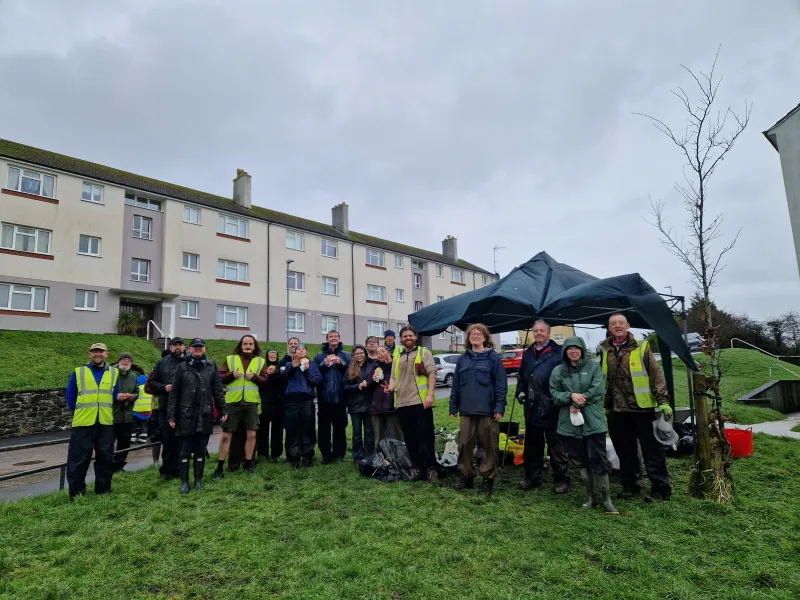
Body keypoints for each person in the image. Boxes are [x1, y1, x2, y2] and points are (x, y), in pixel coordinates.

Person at [601, 313, 673, 502]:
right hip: (616, 410)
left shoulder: (641, 347)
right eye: (614, 324)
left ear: (628, 326)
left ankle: (661, 489)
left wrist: (663, 401)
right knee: (624, 450)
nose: (617, 326)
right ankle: (630, 485)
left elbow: (656, 375)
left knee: (652, 451)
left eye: (621, 323)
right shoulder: (604, 350)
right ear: (609, 328)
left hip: (641, 409)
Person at [550, 336, 618, 514]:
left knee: (598, 460)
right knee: (580, 461)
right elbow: (554, 393)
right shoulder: (558, 370)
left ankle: (606, 499)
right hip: (569, 424)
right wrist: (570, 396)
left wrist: (578, 403)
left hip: (593, 421)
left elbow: (597, 390)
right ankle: (591, 497)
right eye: (569, 348)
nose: (573, 351)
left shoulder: (593, 367)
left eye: (577, 348)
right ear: (565, 351)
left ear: (582, 350)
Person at [449, 324, 507, 495]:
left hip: (488, 411)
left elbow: (501, 384)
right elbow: (456, 386)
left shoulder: (493, 358)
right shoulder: (463, 359)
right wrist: (453, 406)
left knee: (490, 445)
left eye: (479, 333)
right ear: (468, 338)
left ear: (485, 337)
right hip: (466, 410)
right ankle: (467, 477)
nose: (475, 336)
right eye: (472, 334)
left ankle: (488, 480)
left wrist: (499, 406)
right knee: (464, 445)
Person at [516, 319, 570, 493]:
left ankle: (561, 479)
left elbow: (566, 378)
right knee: (532, 446)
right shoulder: (528, 353)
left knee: (556, 446)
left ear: (548, 333)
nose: (538, 334)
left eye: (542, 331)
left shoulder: (558, 352)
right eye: (535, 331)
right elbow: (522, 377)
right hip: (532, 406)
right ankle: (532, 477)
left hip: (553, 406)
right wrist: (520, 392)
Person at [167, 338, 227, 494]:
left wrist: (223, 410)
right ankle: (185, 482)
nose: (198, 349)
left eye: (200, 347)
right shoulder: (182, 367)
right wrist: (171, 416)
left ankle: (198, 480)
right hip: (185, 414)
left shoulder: (211, 366)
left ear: (204, 349)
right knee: (184, 451)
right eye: (195, 347)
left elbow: (218, 391)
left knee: (201, 450)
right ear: (190, 349)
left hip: (205, 414)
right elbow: (174, 394)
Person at [64, 343, 119, 499]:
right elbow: (70, 396)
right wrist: (81, 412)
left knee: (105, 458)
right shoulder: (79, 372)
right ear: (89, 354)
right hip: (83, 423)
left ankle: (103, 490)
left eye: (100, 351)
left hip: (105, 422)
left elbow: (114, 395)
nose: (97, 354)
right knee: (78, 460)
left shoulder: (114, 373)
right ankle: (76, 493)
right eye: (94, 351)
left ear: (106, 354)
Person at [387, 325, 438, 483]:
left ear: (415, 337)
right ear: (401, 339)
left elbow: (432, 374)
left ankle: (430, 469)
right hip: (402, 403)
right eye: (404, 336)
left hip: (421, 402)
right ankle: (417, 467)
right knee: (410, 438)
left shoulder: (424, 352)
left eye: (410, 335)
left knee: (426, 436)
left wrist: (429, 395)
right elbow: (393, 377)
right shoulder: (397, 356)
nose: (407, 338)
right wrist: (390, 387)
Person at [214, 335, 268, 478]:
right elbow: (219, 377)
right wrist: (232, 375)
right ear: (240, 345)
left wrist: (255, 377)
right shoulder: (231, 359)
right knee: (226, 435)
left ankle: (248, 464)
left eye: (251, 344)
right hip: (233, 402)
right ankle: (219, 467)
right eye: (245, 343)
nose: (248, 346)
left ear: (254, 346)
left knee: (252, 434)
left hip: (251, 403)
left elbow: (265, 380)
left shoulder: (260, 361)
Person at [146, 337, 187, 479]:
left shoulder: (190, 362)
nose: (177, 347)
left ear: (184, 347)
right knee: (168, 439)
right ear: (170, 347)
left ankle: (182, 468)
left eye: (180, 345)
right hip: (165, 407)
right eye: (175, 345)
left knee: (183, 440)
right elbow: (151, 383)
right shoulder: (161, 363)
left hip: (185, 407)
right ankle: (168, 470)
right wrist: (164, 387)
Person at [313, 330, 351, 464]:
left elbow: (352, 373)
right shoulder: (319, 355)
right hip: (324, 397)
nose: (333, 338)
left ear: (339, 339)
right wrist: (324, 364)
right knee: (323, 428)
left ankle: (339, 454)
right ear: (327, 339)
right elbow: (314, 372)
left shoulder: (346, 355)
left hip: (340, 397)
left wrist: (341, 363)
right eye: (331, 337)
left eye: (335, 336)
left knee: (340, 427)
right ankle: (326, 454)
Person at [283, 344, 322, 467]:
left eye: (303, 349)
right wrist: (293, 368)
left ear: (306, 352)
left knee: (308, 428)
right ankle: (293, 456)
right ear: (295, 352)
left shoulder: (312, 365)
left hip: (307, 401)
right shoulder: (289, 364)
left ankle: (307, 455)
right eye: (298, 349)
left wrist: (307, 371)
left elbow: (317, 381)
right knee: (292, 429)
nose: (301, 350)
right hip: (292, 400)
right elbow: (282, 378)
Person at [344, 344, 375, 463]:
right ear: (353, 355)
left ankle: (369, 455)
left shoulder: (371, 366)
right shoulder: (349, 368)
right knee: (357, 433)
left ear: (365, 354)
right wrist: (358, 386)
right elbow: (345, 387)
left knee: (369, 432)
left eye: (361, 353)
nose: (359, 355)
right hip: (354, 405)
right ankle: (357, 456)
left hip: (369, 403)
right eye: (357, 353)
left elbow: (375, 382)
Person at [111, 352, 140, 473]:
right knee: (107, 443)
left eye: (128, 359)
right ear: (118, 362)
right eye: (123, 359)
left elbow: (137, 392)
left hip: (127, 416)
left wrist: (132, 396)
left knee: (124, 443)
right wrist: (115, 396)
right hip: (112, 415)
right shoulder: (111, 374)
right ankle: (107, 465)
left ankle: (119, 466)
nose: (126, 361)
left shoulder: (133, 376)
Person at [367, 346, 403, 443]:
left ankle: (398, 457)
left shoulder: (395, 364)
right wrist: (373, 379)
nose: (380, 354)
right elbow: (368, 383)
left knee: (396, 436)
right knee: (379, 438)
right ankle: (381, 457)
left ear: (388, 352)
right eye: (378, 353)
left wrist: (390, 364)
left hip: (392, 407)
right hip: (377, 407)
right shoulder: (375, 366)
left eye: (383, 351)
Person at [257, 349, 285, 462]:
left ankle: (276, 454)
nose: (272, 355)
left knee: (277, 429)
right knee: (263, 428)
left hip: (278, 402)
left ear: (277, 356)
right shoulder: (263, 367)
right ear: (267, 356)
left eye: (274, 353)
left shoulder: (281, 366)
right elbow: (260, 382)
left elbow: (284, 382)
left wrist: (276, 374)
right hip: (265, 401)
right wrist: (267, 374)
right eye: (270, 354)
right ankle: (262, 453)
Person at [132, 373, 152, 443]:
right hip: (147, 411)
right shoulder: (149, 389)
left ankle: (132, 439)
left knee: (134, 425)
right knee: (144, 426)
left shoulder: (137, 388)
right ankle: (143, 439)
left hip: (136, 411)